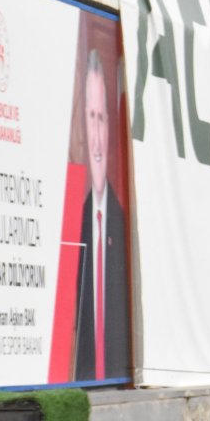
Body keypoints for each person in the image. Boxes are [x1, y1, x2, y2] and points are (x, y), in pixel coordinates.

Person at [73, 48, 129, 382]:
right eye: (90, 117)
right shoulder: (75, 222)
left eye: (101, 118)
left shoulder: (121, 222)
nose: (95, 137)